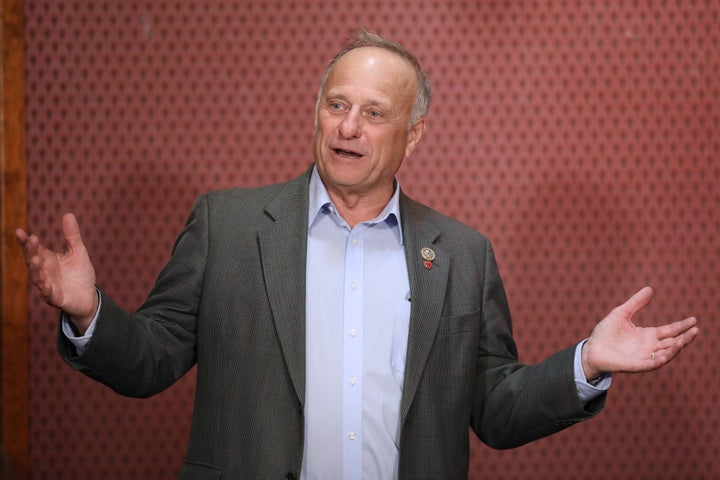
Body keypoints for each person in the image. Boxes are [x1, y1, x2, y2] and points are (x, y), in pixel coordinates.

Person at [17, 29, 699, 480]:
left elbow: (495, 408)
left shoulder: (461, 255)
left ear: (414, 133)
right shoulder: (226, 226)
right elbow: (152, 358)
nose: (348, 127)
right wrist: (89, 315)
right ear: (315, 110)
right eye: (335, 104)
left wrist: (586, 362)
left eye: (373, 112)